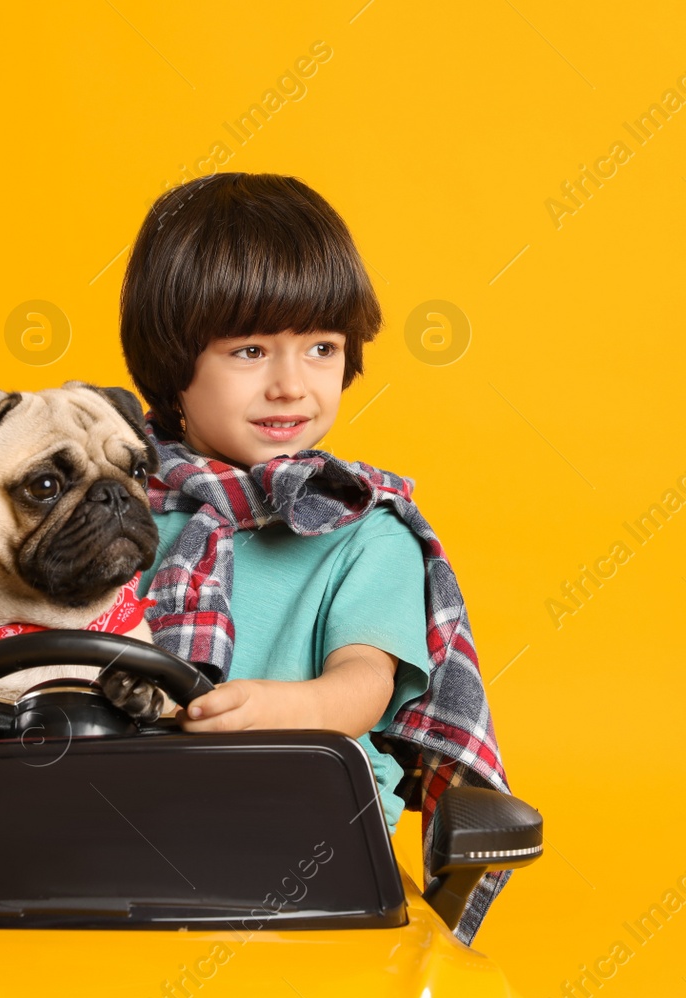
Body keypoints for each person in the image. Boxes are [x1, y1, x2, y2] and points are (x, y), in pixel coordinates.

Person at [119, 172, 515, 945]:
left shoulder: (363, 531)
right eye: (251, 349)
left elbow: (365, 683)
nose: (291, 385)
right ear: (173, 363)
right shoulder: (110, 514)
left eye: (322, 347)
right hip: (118, 837)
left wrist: (283, 711)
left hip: (305, 851)